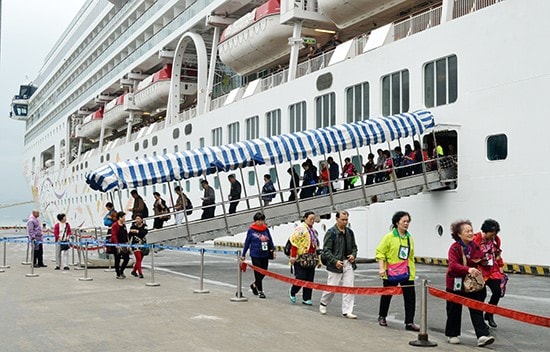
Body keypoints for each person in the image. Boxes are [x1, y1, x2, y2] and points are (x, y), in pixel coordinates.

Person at [445, 220, 495, 347]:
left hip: (472, 284)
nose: (471, 233)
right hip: (455, 283)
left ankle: (482, 335)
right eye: (467, 231)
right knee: (454, 310)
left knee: (476, 307)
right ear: (459, 234)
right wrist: (468, 269)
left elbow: (480, 258)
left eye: (471, 230)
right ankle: (453, 334)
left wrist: (484, 262)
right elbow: (453, 265)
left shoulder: (475, 246)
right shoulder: (454, 248)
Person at [376, 211, 419, 331]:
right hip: (391, 271)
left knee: (410, 297)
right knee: (387, 295)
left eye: (408, 221)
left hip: (406, 271)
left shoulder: (409, 237)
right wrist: (381, 268)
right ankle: (382, 316)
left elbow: (410, 256)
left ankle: (409, 322)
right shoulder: (389, 237)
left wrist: (412, 272)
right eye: (404, 221)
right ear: (397, 222)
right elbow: (380, 252)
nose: (406, 224)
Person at [319, 210, 358, 318]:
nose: (345, 222)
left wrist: (353, 255)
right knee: (332, 287)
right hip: (335, 263)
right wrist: (335, 261)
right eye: (342, 220)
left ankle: (347, 310)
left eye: (346, 220)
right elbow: (326, 250)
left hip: (348, 263)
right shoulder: (331, 232)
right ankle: (324, 302)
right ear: (336, 219)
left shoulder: (350, 232)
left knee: (349, 287)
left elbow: (354, 247)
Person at [473, 219, 504, 328]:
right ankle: (480, 320)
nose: (493, 236)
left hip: (493, 270)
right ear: (485, 231)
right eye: (492, 234)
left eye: (495, 234)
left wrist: (501, 267)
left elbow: (498, 253)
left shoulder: (496, 240)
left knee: (497, 292)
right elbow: (470, 255)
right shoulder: (476, 239)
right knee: (481, 296)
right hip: (480, 271)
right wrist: (479, 261)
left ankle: (490, 314)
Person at [289, 211, 321, 305]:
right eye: (310, 219)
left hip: (311, 257)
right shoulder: (300, 229)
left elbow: (316, 245)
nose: (312, 221)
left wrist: (318, 260)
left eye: (313, 219)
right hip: (301, 257)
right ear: (305, 218)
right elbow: (294, 243)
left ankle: (306, 298)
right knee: (301, 277)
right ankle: (293, 291)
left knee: (310, 278)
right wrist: (293, 256)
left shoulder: (313, 231)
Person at [241, 212, 275, 299]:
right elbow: (247, 242)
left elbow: (270, 240)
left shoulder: (265, 229)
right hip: (255, 254)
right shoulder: (251, 230)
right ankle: (260, 291)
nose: (260, 222)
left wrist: (273, 249)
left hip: (265, 253)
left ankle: (254, 284)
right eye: (258, 221)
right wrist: (243, 254)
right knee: (258, 272)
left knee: (264, 271)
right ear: (255, 221)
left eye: (262, 220)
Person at [111, 211, 130, 279]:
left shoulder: (124, 225)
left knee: (126, 258)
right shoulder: (115, 225)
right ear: (120, 218)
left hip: (124, 244)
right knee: (117, 259)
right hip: (117, 244)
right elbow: (114, 235)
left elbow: (126, 234)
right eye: (123, 217)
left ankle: (121, 270)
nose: (124, 218)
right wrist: (116, 244)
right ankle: (118, 273)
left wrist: (128, 242)